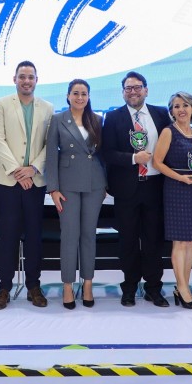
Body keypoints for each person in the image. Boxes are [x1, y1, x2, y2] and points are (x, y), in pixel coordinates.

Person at [102, 71, 171, 308]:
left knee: (154, 241)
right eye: (128, 88)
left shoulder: (161, 114)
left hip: (155, 187)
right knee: (128, 241)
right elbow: (107, 153)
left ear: (146, 90)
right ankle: (130, 288)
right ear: (123, 93)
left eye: (137, 87)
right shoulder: (113, 117)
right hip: (126, 189)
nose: (133, 92)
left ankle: (154, 288)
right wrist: (133, 158)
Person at [0, 60, 54, 310]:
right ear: (14, 79)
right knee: (8, 235)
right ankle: (4, 287)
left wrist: (33, 168)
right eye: (22, 76)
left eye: (31, 77)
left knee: (34, 236)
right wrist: (18, 171)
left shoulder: (47, 108)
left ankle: (33, 286)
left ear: (37, 80)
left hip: (35, 181)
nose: (26, 81)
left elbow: (50, 144)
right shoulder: (1, 104)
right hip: (8, 181)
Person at [45, 79, 108, 309]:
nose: (80, 97)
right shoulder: (57, 119)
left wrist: (105, 184)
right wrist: (53, 188)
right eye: (75, 93)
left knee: (89, 234)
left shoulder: (97, 120)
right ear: (68, 96)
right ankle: (68, 285)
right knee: (70, 235)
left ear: (89, 97)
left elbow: (103, 155)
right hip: (67, 185)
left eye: (83, 93)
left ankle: (88, 283)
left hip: (94, 183)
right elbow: (51, 155)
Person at [152, 91, 192, 309]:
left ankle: (182, 286)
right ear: (172, 111)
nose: (181, 110)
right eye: (176, 106)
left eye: (185, 105)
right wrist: (181, 178)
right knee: (179, 241)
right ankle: (183, 288)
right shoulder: (168, 132)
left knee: (190, 241)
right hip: (176, 189)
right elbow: (157, 162)